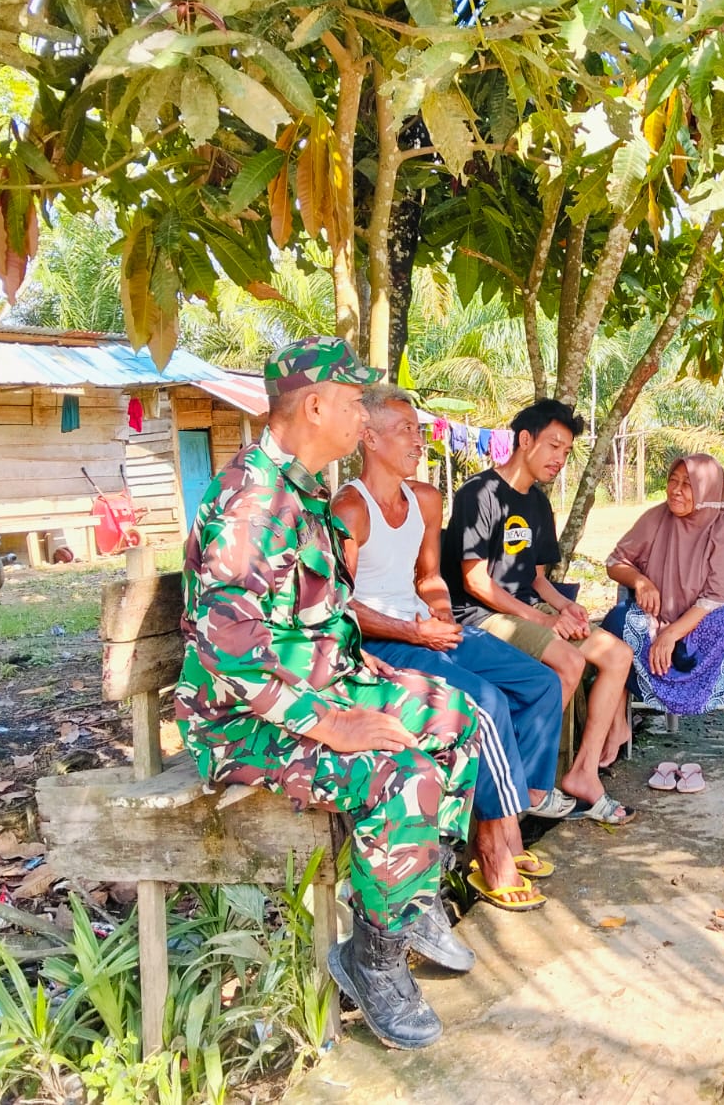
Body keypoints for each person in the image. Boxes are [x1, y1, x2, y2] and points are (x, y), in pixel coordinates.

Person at [174, 335, 479, 1050]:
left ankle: (408, 898)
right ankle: (373, 961)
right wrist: (333, 724)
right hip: (243, 723)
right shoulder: (254, 506)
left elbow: (309, 623)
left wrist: (360, 688)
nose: (363, 418)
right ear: (314, 407)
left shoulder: (299, 490)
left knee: (455, 715)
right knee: (402, 772)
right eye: (353, 403)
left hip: (317, 689)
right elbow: (230, 653)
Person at [334, 384, 564, 914]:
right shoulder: (350, 508)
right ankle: (494, 850)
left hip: (426, 628)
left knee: (539, 683)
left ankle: (507, 821)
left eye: (419, 430)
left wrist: (439, 613)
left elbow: (429, 577)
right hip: (382, 642)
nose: (419, 441)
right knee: (486, 702)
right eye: (405, 431)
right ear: (369, 438)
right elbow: (339, 605)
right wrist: (415, 632)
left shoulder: (425, 499)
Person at [441, 399, 636, 826]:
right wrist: (545, 620)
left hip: (525, 608)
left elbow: (536, 578)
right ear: (525, 440)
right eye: (553, 445)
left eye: (566, 451)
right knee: (569, 661)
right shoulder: (479, 494)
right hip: (479, 615)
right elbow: (475, 583)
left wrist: (566, 606)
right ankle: (526, 781)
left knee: (618, 655)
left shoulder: (538, 504)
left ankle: (583, 773)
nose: (559, 459)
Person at [602, 454, 724, 723]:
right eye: (673, 480)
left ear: (707, 490)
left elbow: (718, 596)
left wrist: (672, 634)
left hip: (704, 626)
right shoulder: (655, 518)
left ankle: (699, 694)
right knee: (618, 620)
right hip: (655, 621)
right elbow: (615, 562)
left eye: (687, 484)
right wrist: (640, 581)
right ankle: (620, 723)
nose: (676, 490)